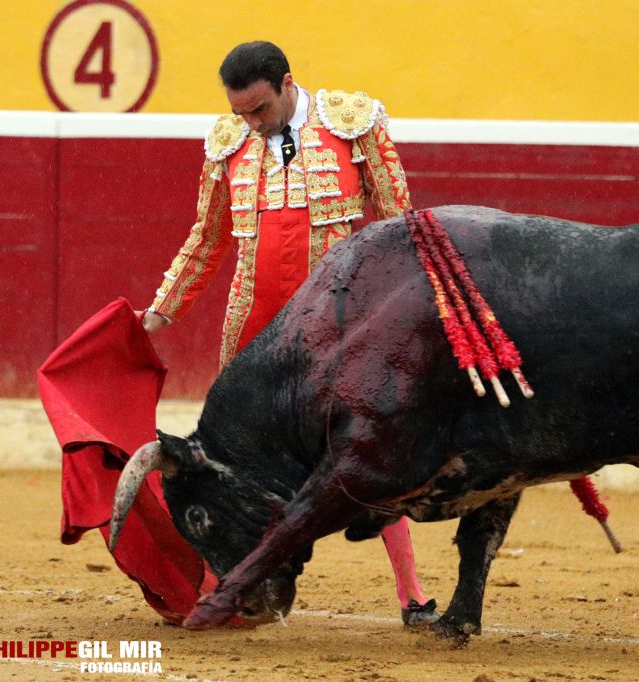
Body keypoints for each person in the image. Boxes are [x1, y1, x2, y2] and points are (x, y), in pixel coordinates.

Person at [140, 41, 437, 628]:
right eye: (240, 112)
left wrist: (420, 306)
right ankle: (234, 588)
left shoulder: (353, 125)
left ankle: (411, 594)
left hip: (339, 326)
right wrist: (157, 313)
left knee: (367, 451)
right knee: (233, 467)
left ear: (287, 84)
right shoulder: (228, 143)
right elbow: (207, 240)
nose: (250, 123)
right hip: (252, 334)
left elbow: (398, 225)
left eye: (259, 109)